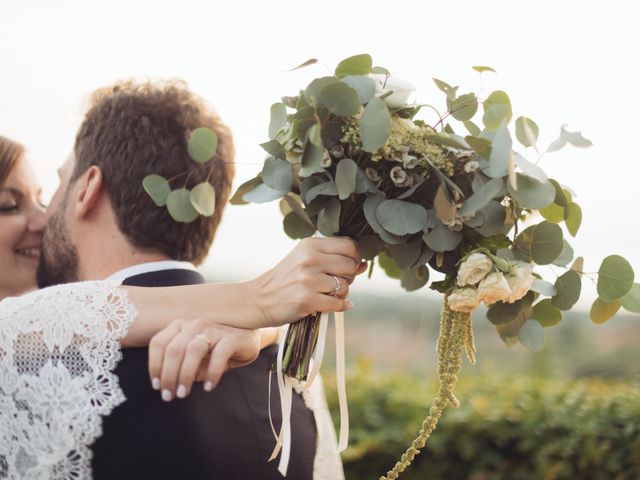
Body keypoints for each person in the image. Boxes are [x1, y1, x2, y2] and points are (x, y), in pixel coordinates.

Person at [0, 133, 363, 479]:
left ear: (90, 189)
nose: (42, 220)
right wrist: (259, 304)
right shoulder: (286, 373)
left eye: (44, 197)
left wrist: (260, 328)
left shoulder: (254, 344)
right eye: (8, 205)